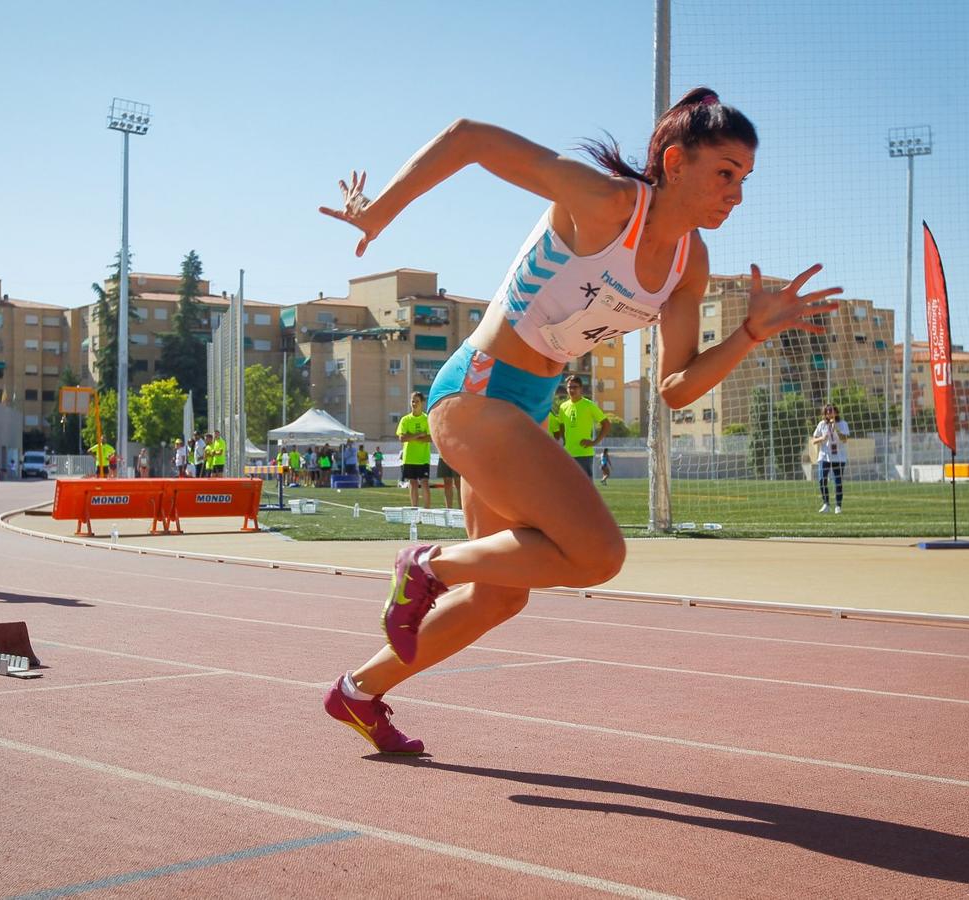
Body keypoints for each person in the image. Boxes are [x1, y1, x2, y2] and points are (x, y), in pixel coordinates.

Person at [318, 88, 840, 753]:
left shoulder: (690, 262)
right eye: (726, 173)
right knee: (599, 554)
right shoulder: (605, 201)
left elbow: (676, 388)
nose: (735, 194)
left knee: (500, 597)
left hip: (523, 414)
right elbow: (469, 136)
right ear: (675, 162)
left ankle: (358, 691)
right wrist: (380, 214)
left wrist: (748, 336)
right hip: (476, 394)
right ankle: (428, 565)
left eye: (744, 180)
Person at [557, 375, 610, 478]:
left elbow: (606, 424)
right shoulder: (563, 407)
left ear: (581, 388)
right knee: (569, 486)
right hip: (568, 454)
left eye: (575, 387)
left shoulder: (589, 405)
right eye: (569, 387)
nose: (571, 389)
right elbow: (562, 425)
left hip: (584, 454)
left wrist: (594, 442)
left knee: (585, 489)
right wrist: (565, 442)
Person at [811, 402, 849, 514]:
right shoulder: (821, 424)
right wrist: (822, 438)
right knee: (822, 480)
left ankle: (838, 506)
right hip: (824, 456)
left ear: (836, 412)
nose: (830, 414)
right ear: (825, 414)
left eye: (832, 411)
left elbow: (845, 439)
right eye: (827, 412)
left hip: (839, 457)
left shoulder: (842, 424)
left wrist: (836, 428)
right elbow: (814, 440)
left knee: (838, 482)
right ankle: (826, 504)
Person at [396, 392, 432, 508]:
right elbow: (402, 438)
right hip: (409, 457)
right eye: (412, 401)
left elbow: (430, 437)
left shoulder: (427, 419)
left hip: (423, 458)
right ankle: (414, 508)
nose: (414, 403)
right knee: (412, 483)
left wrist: (411, 437)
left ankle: (427, 509)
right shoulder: (405, 420)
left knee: (425, 483)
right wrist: (418, 435)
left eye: (417, 401)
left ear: (422, 403)